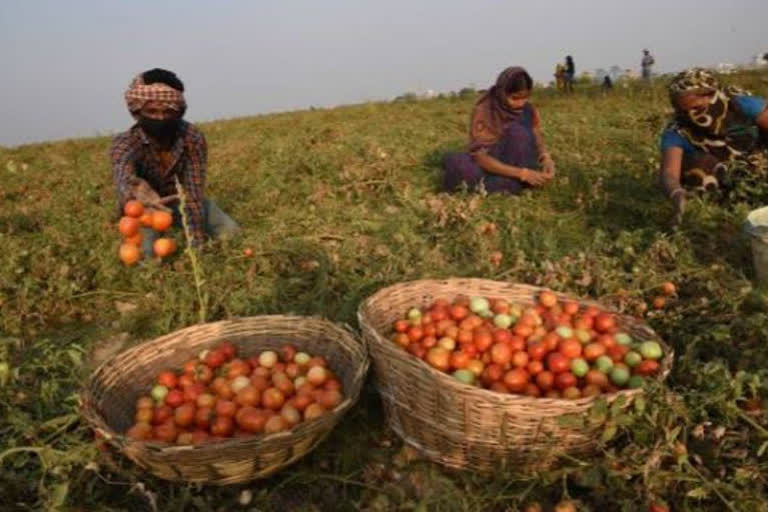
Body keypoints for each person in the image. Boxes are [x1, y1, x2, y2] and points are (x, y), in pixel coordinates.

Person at [111, 69, 239, 256]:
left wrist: (196, 243)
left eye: (168, 112)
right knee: (146, 257)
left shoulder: (191, 138)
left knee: (231, 233)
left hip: (180, 199)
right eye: (152, 111)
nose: (160, 118)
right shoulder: (126, 142)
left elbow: (193, 192)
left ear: (178, 112)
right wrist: (137, 191)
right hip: (144, 207)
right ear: (138, 112)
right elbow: (123, 172)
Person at [658, 68, 768, 223]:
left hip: (760, 161)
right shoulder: (677, 130)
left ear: (711, 96)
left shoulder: (739, 104)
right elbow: (669, 173)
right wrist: (676, 193)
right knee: (698, 169)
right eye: (684, 111)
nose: (691, 115)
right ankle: (723, 209)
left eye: (697, 108)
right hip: (723, 173)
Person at [442, 66, 555, 195]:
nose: (521, 103)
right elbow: (480, 157)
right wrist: (522, 174)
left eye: (525, 97)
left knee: (519, 134)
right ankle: (513, 183)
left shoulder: (527, 109)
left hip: (520, 160)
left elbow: (535, 133)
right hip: (492, 163)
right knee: (460, 167)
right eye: (514, 98)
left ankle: (512, 184)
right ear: (502, 92)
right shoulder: (485, 110)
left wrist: (545, 158)